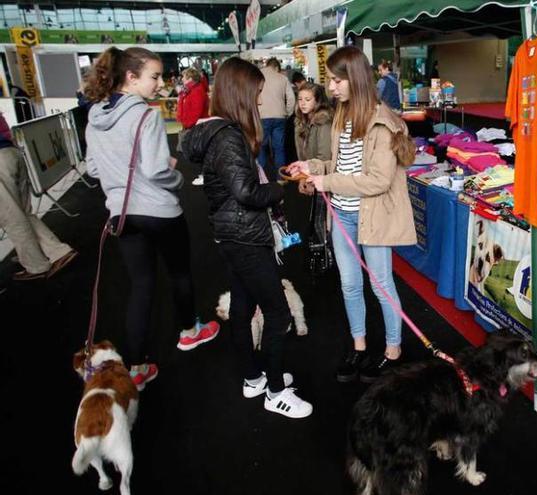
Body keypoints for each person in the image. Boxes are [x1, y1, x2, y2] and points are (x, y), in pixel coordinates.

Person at [182, 57, 312, 419]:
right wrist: (277, 190)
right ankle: (275, 390)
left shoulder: (216, 132)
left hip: (231, 234)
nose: (258, 102)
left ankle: (255, 377)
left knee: (241, 309)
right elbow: (247, 192)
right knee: (277, 312)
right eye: (255, 95)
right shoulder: (228, 136)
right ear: (240, 94)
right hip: (246, 236)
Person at [83, 47, 220, 391]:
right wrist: (178, 179)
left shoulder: (95, 117)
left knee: (141, 287)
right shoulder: (146, 116)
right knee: (179, 274)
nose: (160, 84)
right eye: (154, 76)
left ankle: (137, 367)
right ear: (131, 77)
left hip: (122, 212)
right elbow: (157, 169)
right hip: (160, 211)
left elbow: (93, 168)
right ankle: (190, 332)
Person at [285, 46, 416, 384]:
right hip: (341, 215)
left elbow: (377, 180)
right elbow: (340, 166)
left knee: (381, 284)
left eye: (336, 81)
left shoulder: (383, 123)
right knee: (349, 284)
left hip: (373, 218)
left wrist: (324, 179)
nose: (330, 87)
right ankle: (359, 346)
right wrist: (312, 166)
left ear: (354, 80)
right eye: (330, 81)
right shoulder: (341, 116)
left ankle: (393, 350)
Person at [0, 112, 78, 281]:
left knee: (12, 218)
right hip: (9, 152)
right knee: (23, 213)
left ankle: (36, 265)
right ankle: (56, 251)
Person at [258, 58, 296, 180]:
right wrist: (287, 113)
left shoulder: (257, 76)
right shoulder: (283, 78)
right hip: (280, 117)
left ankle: (262, 178)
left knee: (261, 148)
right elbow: (291, 99)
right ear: (276, 67)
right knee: (279, 148)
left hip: (261, 116)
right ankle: (280, 179)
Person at [294, 82, 333, 195]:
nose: (302, 103)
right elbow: (302, 156)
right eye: (300, 99)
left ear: (317, 101)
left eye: (307, 99)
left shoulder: (323, 122)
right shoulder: (300, 121)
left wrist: (312, 180)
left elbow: (325, 157)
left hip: (323, 179)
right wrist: (302, 177)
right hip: (310, 174)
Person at [176, 67, 209, 152]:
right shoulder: (188, 90)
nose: (182, 79)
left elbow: (196, 112)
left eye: (183, 77)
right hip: (191, 126)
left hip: (195, 127)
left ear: (190, 78)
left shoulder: (197, 91)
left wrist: (187, 124)